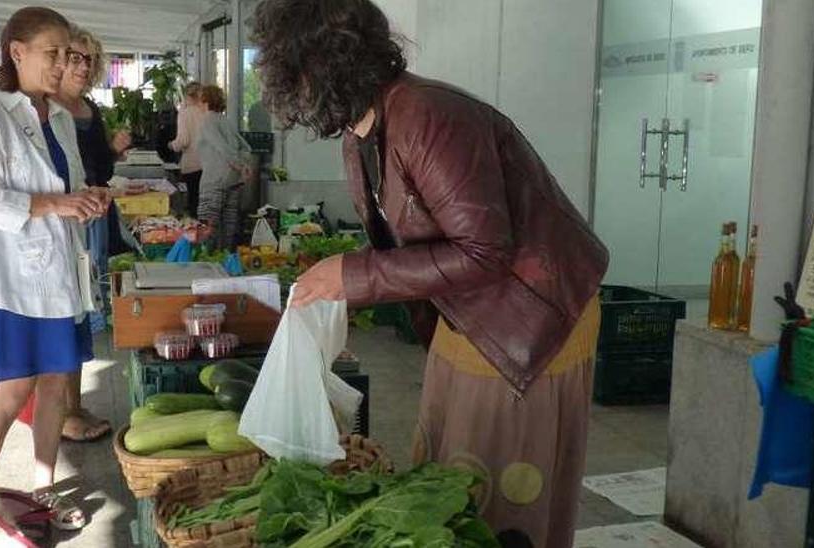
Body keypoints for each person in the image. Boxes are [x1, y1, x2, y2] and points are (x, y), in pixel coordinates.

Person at [252, 1, 609, 546]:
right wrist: (350, 278)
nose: (291, 94)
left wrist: (354, 275)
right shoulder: (364, 126)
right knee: (451, 470)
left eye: (294, 73)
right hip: (469, 314)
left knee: (503, 491)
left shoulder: (429, 117)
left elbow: (486, 250)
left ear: (329, 64)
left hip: (530, 322)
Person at [0, 6, 111, 531]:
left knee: (56, 387)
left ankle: (43, 488)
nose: (64, 63)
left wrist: (90, 198)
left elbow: (70, 186)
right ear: (17, 52)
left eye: (69, 54)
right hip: (16, 279)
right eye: (53, 53)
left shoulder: (58, 117)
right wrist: (59, 206)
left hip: (59, 272)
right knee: (13, 389)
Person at [50, 25, 130, 442]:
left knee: (79, 311)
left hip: (90, 219)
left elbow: (99, 166)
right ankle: (60, 411)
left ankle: (72, 406)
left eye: (89, 60)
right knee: (63, 313)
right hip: (56, 224)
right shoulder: (44, 110)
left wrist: (114, 152)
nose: (82, 66)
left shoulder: (88, 110)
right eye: (75, 58)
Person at [194, 85, 253, 251]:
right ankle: (226, 261)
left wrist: (238, 164)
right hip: (233, 181)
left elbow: (220, 146)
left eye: (200, 99)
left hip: (214, 179)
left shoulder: (207, 120)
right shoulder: (225, 121)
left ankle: (209, 263)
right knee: (229, 227)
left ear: (205, 101)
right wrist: (243, 166)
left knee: (208, 226)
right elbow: (245, 147)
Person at [168, 82, 207, 217]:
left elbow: (183, 141)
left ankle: (195, 233)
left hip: (192, 164)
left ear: (187, 96)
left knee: (193, 202)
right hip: (208, 164)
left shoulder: (185, 113)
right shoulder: (207, 112)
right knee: (205, 203)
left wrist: (171, 145)